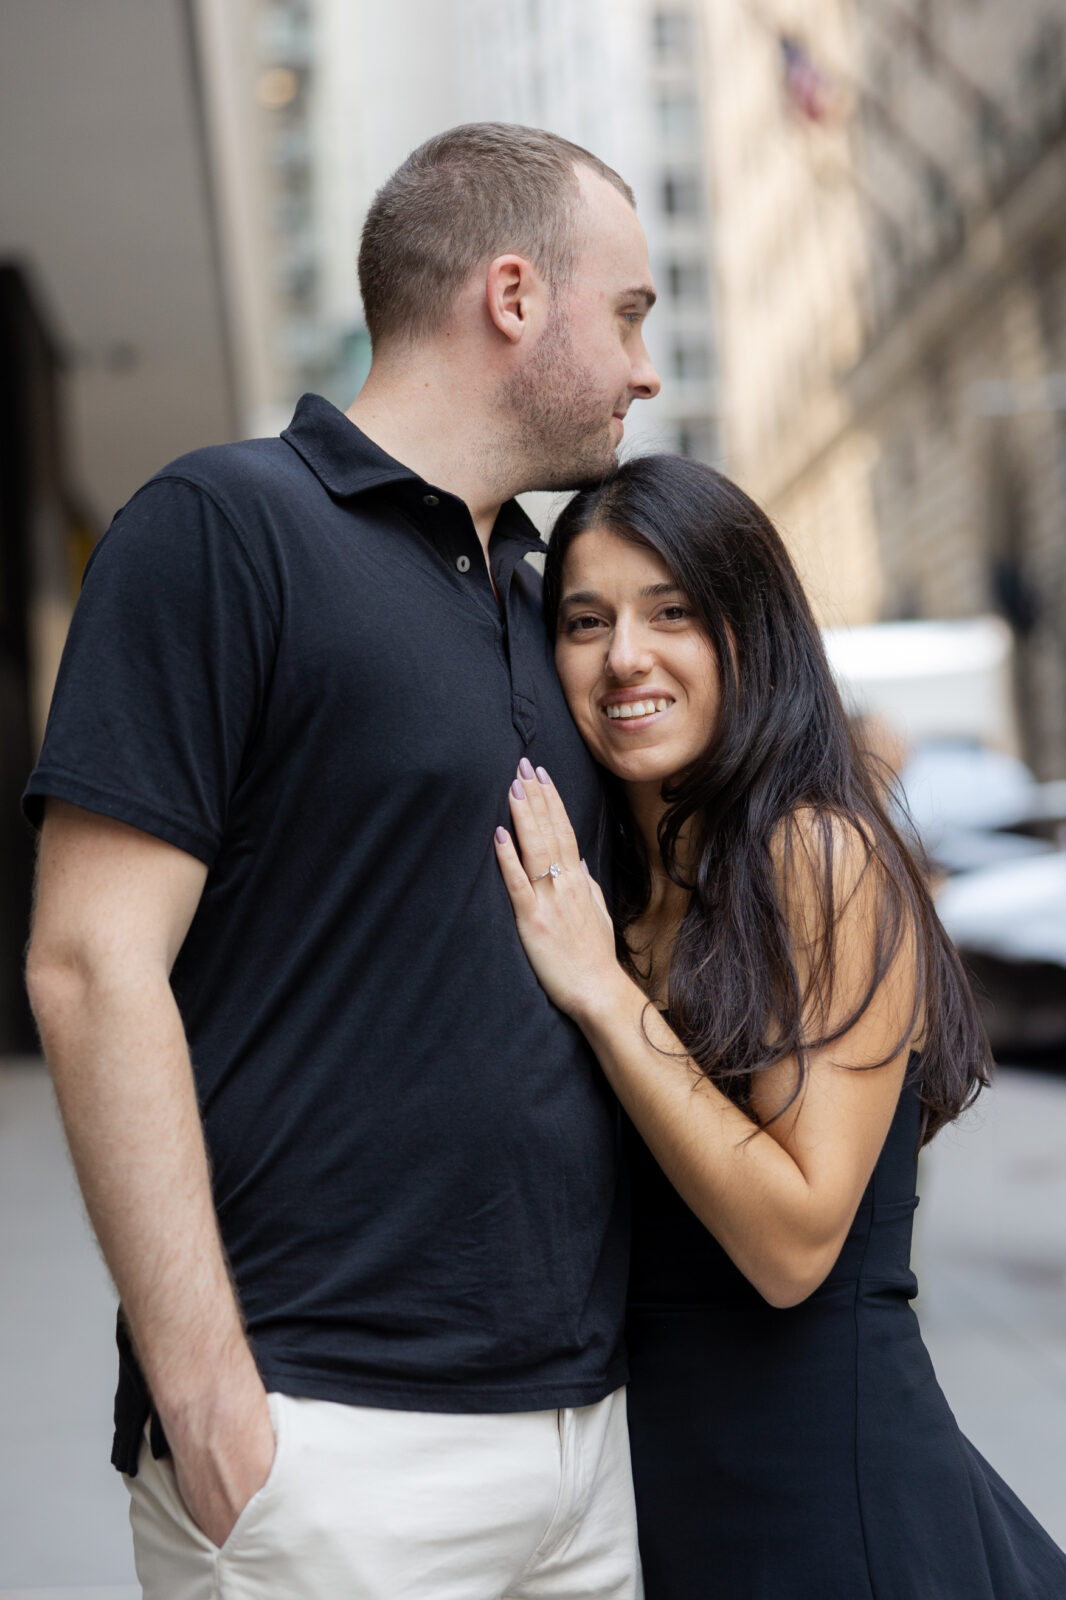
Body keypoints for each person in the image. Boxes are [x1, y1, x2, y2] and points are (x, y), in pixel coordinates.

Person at [22, 123, 660, 1598]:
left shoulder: (542, 597)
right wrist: (206, 1396)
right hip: (328, 1450)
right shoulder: (222, 530)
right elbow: (87, 963)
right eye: (625, 314)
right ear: (513, 295)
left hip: (587, 1450)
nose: (641, 367)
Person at [494, 453, 1066, 1598]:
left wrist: (605, 996)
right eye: (584, 620)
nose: (623, 658)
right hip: (658, 1494)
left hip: (823, 1501)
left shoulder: (812, 853)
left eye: (672, 613)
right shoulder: (606, 881)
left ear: (749, 632)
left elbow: (794, 1242)